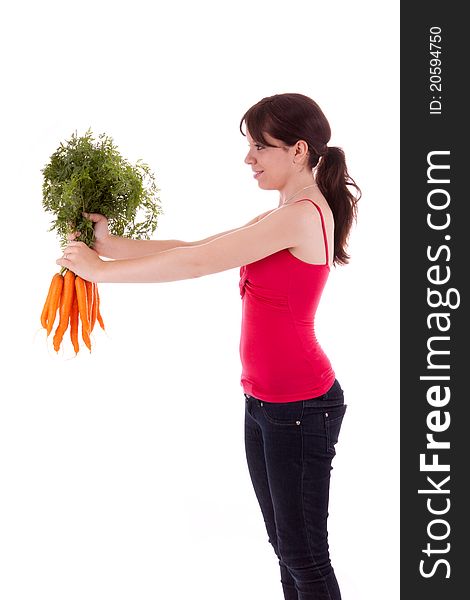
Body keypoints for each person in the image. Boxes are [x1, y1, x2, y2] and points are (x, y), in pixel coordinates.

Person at [57, 93, 361, 600]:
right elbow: (199, 247)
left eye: (260, 148)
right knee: (288, 550)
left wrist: (103, 273)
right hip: (265, 405)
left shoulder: (302, 215)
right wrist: (110, 246)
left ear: (299, 151)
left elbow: (199, 265)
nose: (249, 159)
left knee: (306, 557)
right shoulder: (285, 211)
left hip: (301, 409)